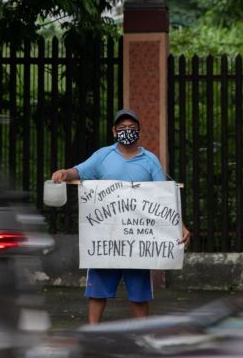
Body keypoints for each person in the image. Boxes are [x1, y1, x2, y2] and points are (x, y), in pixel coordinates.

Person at [51, 108, 191, 324]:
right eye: (123, 128)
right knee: (97, 292)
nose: (128, 131)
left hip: (137, 239)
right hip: (107, 237)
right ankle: (93, 333)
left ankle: (141, 336)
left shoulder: (150, 160)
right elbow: (77, 172)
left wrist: (179, 226)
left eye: (132, 128)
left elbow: (164, 196)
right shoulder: (103, 156)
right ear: (114, 132)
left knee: (139, 295)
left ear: (139, 131)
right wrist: (63, 173)